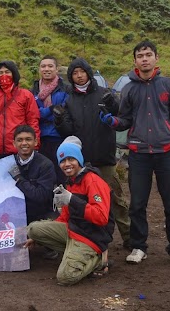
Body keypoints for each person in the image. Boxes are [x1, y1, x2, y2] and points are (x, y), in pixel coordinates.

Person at [100, 40, 170, 267]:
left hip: (166, 152)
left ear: (156, 58)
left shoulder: (169, 85)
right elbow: (126, 120)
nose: (144, 59)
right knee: (137, 204)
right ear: (135, 61)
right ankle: (139, 246)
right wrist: (112, 121)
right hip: (139, 153)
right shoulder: (129, 88)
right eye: (140, 56)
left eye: (148, 54)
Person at [55, 57, 131, 249]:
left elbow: (119, 114)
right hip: (83, 161)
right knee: (84, 202)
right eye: (74, 73)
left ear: (88, 73)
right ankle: (90, 239)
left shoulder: (104, 94)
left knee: (115, 199)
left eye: (82, 71)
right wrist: (59, 120)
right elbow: (68, 131)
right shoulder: (70, 99)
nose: (79, 76)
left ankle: (131, 238)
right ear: (71, 77)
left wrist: (113, 102)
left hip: (104, 159)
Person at [25, 142, 114, 286]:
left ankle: (99, 259)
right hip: (73, 230)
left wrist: (73, 199)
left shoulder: (93, 181)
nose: (67, 164)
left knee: (66, 277)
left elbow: (102, 218)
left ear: (79, 160)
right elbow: (65, 216)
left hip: (91, 237)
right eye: (62, 161)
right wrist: (39, 238)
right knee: (33, 229)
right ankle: (73, 253)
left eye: (71, 159)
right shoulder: (71, 182)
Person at [0, 60, 40, 162]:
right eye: (0, 73)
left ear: (14, 74)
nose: (4, 75)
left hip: (18, 149)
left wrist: (35, 145)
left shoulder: (25, 95)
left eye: (7, 72)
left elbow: (33, 121)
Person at [31, 55, 70, 184]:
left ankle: (60, 203)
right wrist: (50, 109)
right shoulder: (33, 90)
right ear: (39, 69)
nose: (46, 69)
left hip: (59, 137)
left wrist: (44, 112)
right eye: (43, 66)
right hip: (39, 139)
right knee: (42, 176)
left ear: (57, 69)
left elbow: (63, 111)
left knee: (60, 175)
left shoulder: (65, 89)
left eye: (50, 66)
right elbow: (33, 113)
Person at [7, 125, 57, 224]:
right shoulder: (8, 163)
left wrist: (18, 179)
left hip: (40, 218)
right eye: (20, 140)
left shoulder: (46, 165)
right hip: (14, 217)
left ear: (36, 142)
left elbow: (41, 196)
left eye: (28, 139)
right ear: (14, 143)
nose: (24, 143)